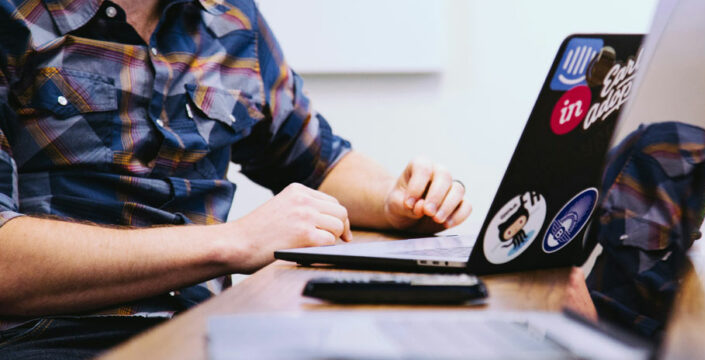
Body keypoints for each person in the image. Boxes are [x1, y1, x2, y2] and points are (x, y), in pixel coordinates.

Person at [0, 0, 471, 357]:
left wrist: (397, 199)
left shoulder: (233, 20)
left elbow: (318, 159)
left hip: (210, 327)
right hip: (54, 335)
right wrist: (233, 243)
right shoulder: (12, 19)